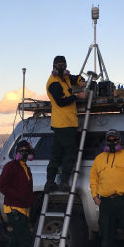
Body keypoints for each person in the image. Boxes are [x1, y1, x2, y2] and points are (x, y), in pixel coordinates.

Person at [0, 140, 41, 247]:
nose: (24, 153)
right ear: (16, 152)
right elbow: (3, 186)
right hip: (14, 208)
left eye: (26, 150)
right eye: (21, 150)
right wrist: (19, 197)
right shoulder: (10, 166)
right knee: (25, 239)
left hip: (23, 208)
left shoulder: (25, 168)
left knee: (16, 238)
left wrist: (29, 201)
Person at [44, 55, 87, 193]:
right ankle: (64, 182)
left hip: (64, 123)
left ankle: (50, 182)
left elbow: (76, 77)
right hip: (64, 123)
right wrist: (77, 96)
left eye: (63, 65)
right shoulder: (53, 83)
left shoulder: (66, 78)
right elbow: (61, 101)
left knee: (57, 153)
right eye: (58, 65)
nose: (61, 67)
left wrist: (82, 81)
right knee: (71, 151)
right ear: (54, 67)